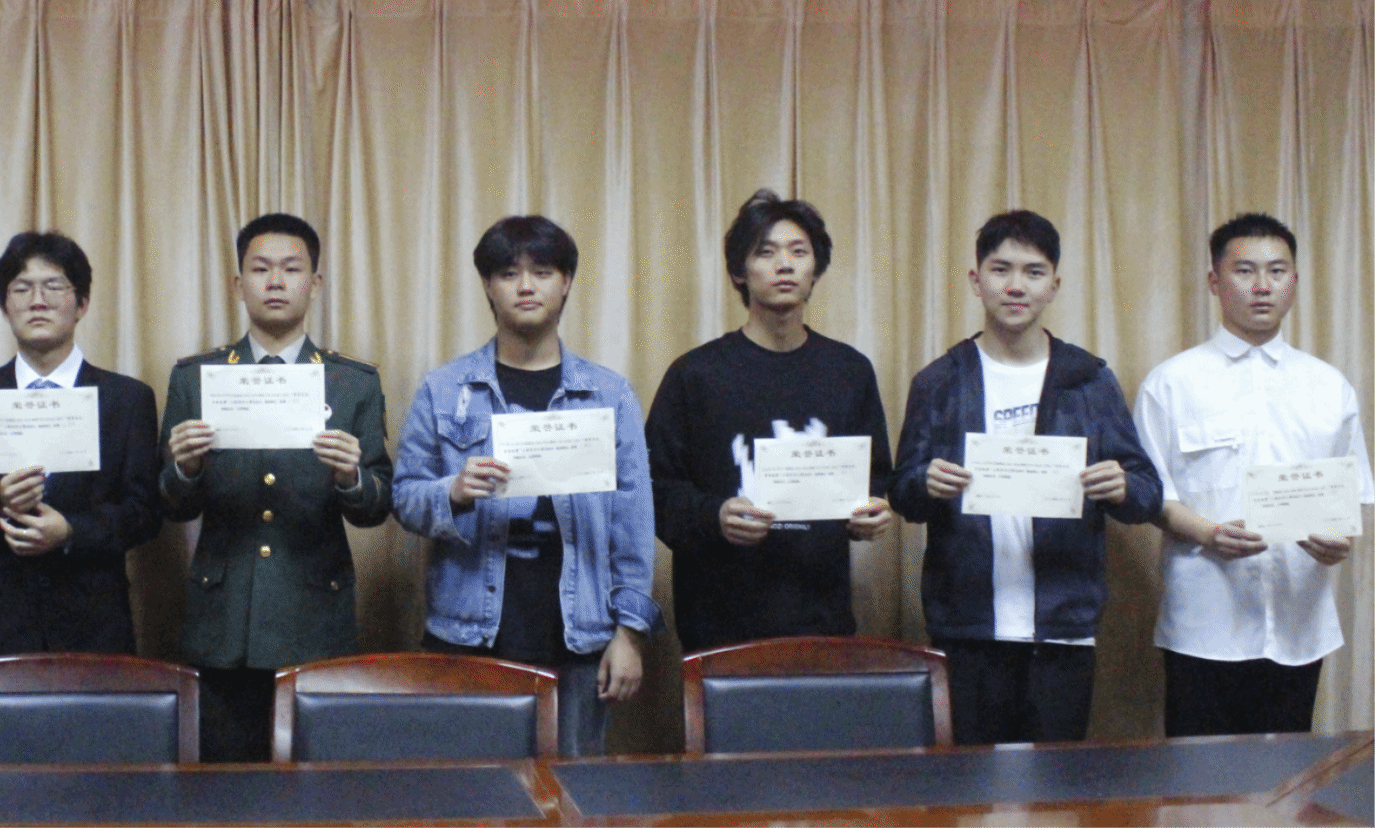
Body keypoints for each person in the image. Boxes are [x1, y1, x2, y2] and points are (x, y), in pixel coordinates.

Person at [887, 209, 1160, 745]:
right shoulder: (941, 381)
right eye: (1001, 270)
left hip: (1062, 628)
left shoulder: (1089, 381)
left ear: (1054, 285)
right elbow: (902, 492)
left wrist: (1123, 486)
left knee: (1054, 782)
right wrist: (925, 483)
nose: (1016, 286)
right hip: (966, 626)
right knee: (970, 781)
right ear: (976, 280)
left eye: (1034, 272)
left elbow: (1147, 493)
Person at [393, 215, 659, 757]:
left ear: (566, 282)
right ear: (488, 286)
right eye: (509, 273)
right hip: (468, 629)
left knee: (574, 785)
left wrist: (629, 634)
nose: (526, 286)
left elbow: (633, 523)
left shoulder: (608, 394)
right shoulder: (444, 388)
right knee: (473, 788)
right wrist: (453, 492)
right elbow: (404, 498)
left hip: (581, 630)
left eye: (542, 272)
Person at [160, 212, 391, 762]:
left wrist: (351, 477)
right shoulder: (196, 377)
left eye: (291, 268)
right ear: (238, 284)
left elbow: (377, 505)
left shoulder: (352, 382)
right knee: (224, 780)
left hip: (313, 609)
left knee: (313, 782)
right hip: (223, 615)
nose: (276, 281)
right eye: (260, 269)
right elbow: (169, 503)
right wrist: (186, 468)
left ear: (315, 283)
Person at [1135, 213, 1372, 737]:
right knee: (1198, 778)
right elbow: (1151, 494)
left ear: (1294, 281)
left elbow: (1348, 494)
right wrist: (1207, 533)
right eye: (1244, 271)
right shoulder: (1171, 383)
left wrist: (1338, 542)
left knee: (1284, 777)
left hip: (1298, 623)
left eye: (1276, 271)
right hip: (1203, 623)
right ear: (1214, 282)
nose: (1262, 286)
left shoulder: (1329, 387)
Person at [647, 190, 893, 651]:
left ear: (816, 268)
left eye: (799, 252)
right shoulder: (695, 375)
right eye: (766, 252)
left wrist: (872, 511)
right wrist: (714, 516)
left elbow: (875, 476)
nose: (785, 265)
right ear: (739, 271)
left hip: (821, 618)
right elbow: (653, 489)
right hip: (717, 625)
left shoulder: (849, 371)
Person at [0, 230, 162, 658]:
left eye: (54, 286)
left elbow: (144, 513)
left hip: (94, 621)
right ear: (4, 307)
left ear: (82, 303)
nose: (38, 301)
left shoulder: (127, 400)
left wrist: (71, 531)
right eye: (22, 289)